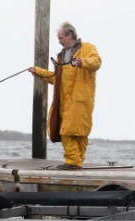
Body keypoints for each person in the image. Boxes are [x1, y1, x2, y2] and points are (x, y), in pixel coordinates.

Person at [29, 22, 101, 170]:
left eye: (61, 37)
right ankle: (76, 161)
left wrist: (82, 62)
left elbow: (96, 62)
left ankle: (74, 161)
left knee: (77, 132)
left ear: (70, 35)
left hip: (81, 100)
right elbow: (55, 78)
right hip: (64, 101)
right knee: (69, 131)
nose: (59, 41)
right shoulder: (61, 57)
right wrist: (37, 71)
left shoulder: (87, 48)